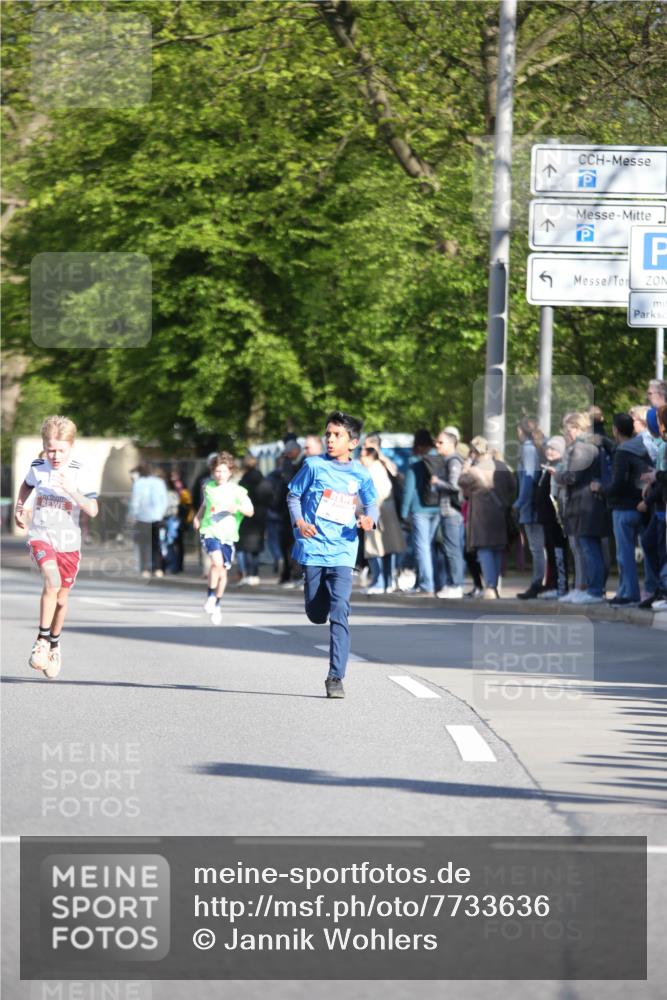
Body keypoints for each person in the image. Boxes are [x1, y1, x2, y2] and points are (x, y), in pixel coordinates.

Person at [287, 411, 378, 698]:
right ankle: (317, 601)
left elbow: (371, 503)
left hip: (343, 550)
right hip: (314, 550)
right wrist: (300, 522)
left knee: (340, 612)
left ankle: (335, 677)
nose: (330, 439)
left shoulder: (360, 473)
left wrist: (369, 519)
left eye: (337, 435)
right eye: (328, 434)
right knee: (316, 614)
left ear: (352, 443)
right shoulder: (313, 466)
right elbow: (293, 496)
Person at [14, 415, 99, 680]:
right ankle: (41, 640)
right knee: (51, 582)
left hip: (69, 544)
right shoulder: (38, 467)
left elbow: (93, 510)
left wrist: (73, 491)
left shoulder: (80, 471)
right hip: (41, 536)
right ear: (44, 446)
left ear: (70, 448)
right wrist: (20, 507)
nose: (55, 455)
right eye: (51, 449)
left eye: (60, 450)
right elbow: (27, 485)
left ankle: (54, 643)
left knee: (61, 599)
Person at [591, 412, 653, 606]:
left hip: (623, 507)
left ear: (615, 430)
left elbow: (618, 482)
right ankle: (650, 590)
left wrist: (601, 488)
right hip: (643, 505)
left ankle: (629, 592)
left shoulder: (623, 452)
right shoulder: (642, 447)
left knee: (624, 553)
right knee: (649, 551)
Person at [554, 411, 609, 604]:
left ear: (577, 428)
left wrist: (557, 475)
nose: (565, 433)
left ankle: (593, 590)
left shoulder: (582, 448)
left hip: (584, 503)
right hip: (586, 502)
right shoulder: (591, 446)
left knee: (588, 548)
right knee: (586, 547)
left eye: (567, 428)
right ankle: (586, 588)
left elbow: (572, 477)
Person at [193, 452, 254, 624]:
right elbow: (205, 505)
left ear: (230, 472)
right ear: (213, 472)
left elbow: (250, 511)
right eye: (217, 471)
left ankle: (218, 603)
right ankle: (211, 596)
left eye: (223, 471)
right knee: (216, 563)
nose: (220, 475)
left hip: (228, 535)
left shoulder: (238, 491)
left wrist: (237, 508)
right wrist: (197, 517)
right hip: (210, 531)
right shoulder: (208, 486)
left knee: (223, 571)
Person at [458, 436, 516, 599]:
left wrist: (466, 467)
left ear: (475, 452)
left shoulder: (475, 470)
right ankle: (495, 585)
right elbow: (512, 486)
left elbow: (461, 481)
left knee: (485, 550)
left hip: (481, 516)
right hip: (500, 514)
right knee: (497, 549)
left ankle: (490, 587)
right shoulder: (502, 466)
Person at [400, 429, 442, 595]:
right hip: (437, 508)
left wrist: (403, 513)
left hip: (420, 509)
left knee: (422, 547)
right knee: (430, 547)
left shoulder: (416, 461)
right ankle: (433, 582)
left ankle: (426, 584)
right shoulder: (440, 458)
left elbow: (409, 489)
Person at [359, 446, 406, 594]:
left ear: (370, 456)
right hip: (387, 512)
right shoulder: (384, 467)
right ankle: (387, 582)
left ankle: (379, 582)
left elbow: (375, 494)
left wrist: (367, 513)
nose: (360, 459)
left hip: (377, 512)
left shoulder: (373, 470)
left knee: (374, 549)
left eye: (362, 456)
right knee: (386, 549)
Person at [514, 417, 546, 599]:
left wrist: (519, 502)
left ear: (522, 431)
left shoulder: (527, 449)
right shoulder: (537, 447)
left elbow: (527, 478)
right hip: (535, 503)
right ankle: (540, 581)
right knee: (539, 546)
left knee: (536, 547)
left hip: (530, 505)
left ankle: (537, 582)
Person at [432, 427, 465, 599]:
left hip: (452, 511)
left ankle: (456, 585)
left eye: (440, 442)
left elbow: (455, 485)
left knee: (453, 549)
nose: (437, 445)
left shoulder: (454, 461)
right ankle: (452, 583)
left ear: (451, 444)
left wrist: (438, 482)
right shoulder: (448, 460)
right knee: (449, 548)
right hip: (447, 510)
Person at [535, 435, 569, 599]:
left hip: (556, 517)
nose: (550, 451)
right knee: (551, 550)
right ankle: (553, 584)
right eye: (548, 448)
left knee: (559, 551)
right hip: (546, 517)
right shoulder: (547, 466)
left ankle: (561, 586)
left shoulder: (560, 467)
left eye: (554, 449)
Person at [236, 453, 273, 585]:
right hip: (260, 517)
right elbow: (270, 498)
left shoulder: (242, 482)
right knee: (256, 548)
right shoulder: (264, 481)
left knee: (246, 548)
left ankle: (248, 574)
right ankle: (255, 574)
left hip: (246, 517)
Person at [128, 464, 168, 578]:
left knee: (144, 544)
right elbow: (164, 500)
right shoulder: (160, 482)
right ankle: (158, 568)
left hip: (142, 517)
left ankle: (145, 569)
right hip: (157, 517)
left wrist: (132, 514)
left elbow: (135, 501)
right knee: (157, 544)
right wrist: (161, 513)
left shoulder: (138, 483)